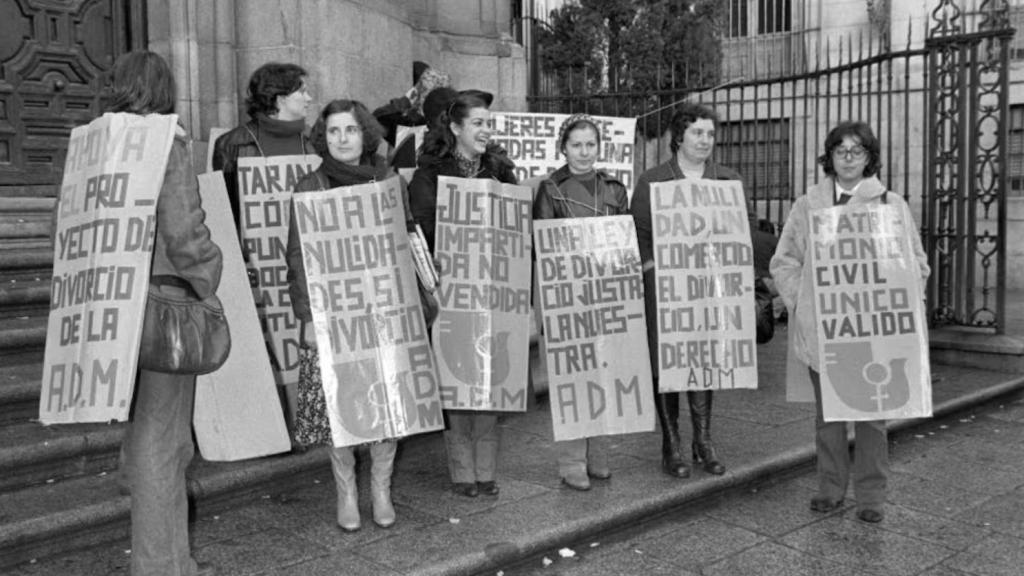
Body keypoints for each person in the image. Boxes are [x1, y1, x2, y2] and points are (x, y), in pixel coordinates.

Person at [770, 121, 929, 523]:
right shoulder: (808, 205)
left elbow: (917, 264)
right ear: (829, 157)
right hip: (826, 333)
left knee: (872, 419)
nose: (848, 158)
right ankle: (830, 489)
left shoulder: (891, 205)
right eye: (840, 150)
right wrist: (804, 302)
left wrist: (898, 298)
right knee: (829, 418)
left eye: (857, 150)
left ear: (869, 157)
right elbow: (784, 261)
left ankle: (872, 496)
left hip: (873, 334)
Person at [113, 50, 224, 576]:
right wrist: (210, 276)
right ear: (164, 91)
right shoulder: (166, 144)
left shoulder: (91, 146)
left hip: (109, 305)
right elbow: (184, 233)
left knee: (146, 436)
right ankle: (162, 568)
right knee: (164, 442)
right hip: (162, 307)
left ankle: (173, 559)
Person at [285, 99, 407, 531]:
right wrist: (307, 317)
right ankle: (347, 493)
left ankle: (380, 489)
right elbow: (297, 256)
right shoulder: (310, 186)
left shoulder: (388, 181)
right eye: (334, 131)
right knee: (339, 403)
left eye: (350, 130)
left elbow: (405, 239)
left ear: (365, 135)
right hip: (331, 315)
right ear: (324, 137)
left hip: (383, 312)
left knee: (387, 402)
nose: (342, 139)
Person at [408, 89, 517, 497]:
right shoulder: (429, 174)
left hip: (493, 288)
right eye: (478, 123)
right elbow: (422, 228)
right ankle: (462, 471)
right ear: (455, 127)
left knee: (491, 377)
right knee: (456, 378)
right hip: (451, 289)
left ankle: (486, 470)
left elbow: (516, 225)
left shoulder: (501, 172)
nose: (486, 130)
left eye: (489, 123)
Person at [629, 103, 743, 479]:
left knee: (703, 359)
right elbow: (638, 233)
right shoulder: (653, 181)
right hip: (665, 289)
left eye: (710, 134)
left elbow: (743, 228)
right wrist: (652, 269)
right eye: (697, 132)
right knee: (667, 361)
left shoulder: (727, 180)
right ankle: (672, 443)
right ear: (679, 137)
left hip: (710, 288)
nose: (704, 140)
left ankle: (703, 441)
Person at [211, 62, 313, 445]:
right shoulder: (233, 144)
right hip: (257, 267)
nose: (309, 98)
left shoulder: (313, 145)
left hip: (299, 264)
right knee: (268, 344)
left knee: (300, 340)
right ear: (280, 97)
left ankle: (305, 422)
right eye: (302, 91)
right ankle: (275, 428)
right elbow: (224, 211)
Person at [534, 113, 627, 491]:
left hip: (605, 294)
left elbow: (624, 244)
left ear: (599, 148)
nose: (584, 152)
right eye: (576, 145)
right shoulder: (550, 189)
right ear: (564, 148)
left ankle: (598, 455)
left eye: (590, 144)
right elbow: (542, 245)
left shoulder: (615, 189)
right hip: (568, 297)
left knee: (604, 375)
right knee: (572, 380)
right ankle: (572, 461)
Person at [373, 61, 451, 166]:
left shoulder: (407, 122)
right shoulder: (406, 122)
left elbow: (378, 116)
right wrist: (408, 100)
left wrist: (408, 99)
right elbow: (377, 118)